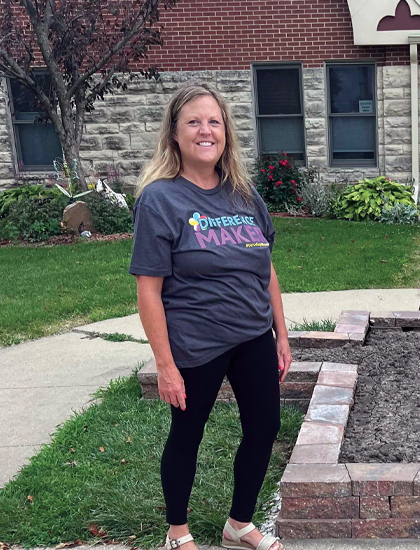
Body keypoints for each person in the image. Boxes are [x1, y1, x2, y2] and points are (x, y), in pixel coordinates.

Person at [130, 82, 290, 550]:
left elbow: (267, 267)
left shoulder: (243, 194)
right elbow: (148, 290)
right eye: (194, 122)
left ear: (226, 134)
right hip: (196, 343)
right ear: (174, 135)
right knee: (188, 434)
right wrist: (164, 365)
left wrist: (281, 333)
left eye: (214, 122)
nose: (206, 131)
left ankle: (239, 524)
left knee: (264, 429)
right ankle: (177, 533)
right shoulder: (160, 199)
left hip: (253, 337)